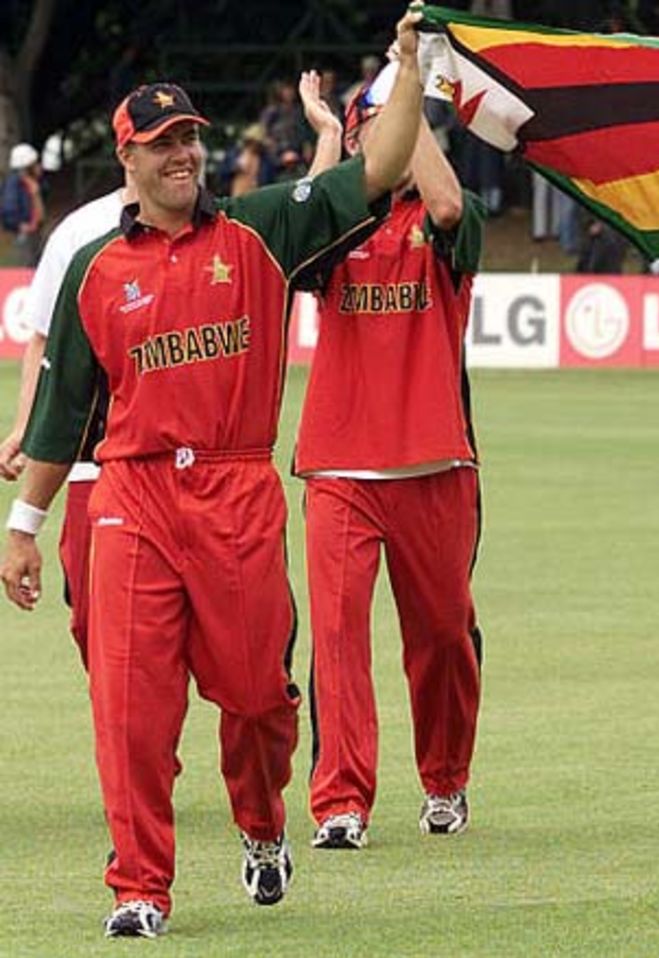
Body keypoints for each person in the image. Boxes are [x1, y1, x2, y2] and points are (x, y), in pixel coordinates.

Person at [0, 7, 426, 939]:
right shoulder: (96, 272)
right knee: (128, 707)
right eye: (164, 145)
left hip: (236, 494)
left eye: (191, 137)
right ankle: (139, 888)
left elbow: (381, 170)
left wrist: (405, 66)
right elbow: (63, 414)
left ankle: (262, 823)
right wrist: (24, 529)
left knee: (259, 698)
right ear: (130, 160)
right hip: (134, 497)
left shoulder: (262, 230)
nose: (184, 156)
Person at [294, 49, 486, 850]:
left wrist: (409, 87)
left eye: (397, 133)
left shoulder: (445, 223)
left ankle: (444, 780)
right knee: (338, 637)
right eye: (378, 134)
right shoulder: (343, 231)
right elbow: (300, 224)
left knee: (442, 636)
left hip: (435, 463)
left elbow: (444, 204)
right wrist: (334, 136)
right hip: (339, 463)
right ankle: (341, 800)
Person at [0, 172, 136, 665]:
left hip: (185, 465)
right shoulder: (81, 231)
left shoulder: (218, 227)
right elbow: (42, 338)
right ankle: (129, 743)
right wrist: (24, 427)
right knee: (91, 621)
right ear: (126, 155)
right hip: (90, 463)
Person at [2, 142, 45, 266]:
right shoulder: (14, 184)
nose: (39, 166)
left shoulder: (32, 184)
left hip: (33, 236)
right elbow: (8, 209)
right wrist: (20, 225)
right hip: (22, 238)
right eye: (35, 164)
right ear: (27, 166)